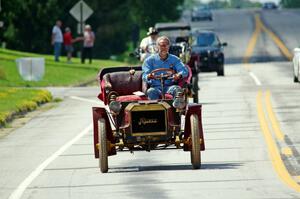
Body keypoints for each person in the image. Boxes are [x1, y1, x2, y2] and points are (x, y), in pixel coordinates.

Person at [142, 36, 189, 100]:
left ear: (169, 47)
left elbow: (184, 71)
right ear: (157, 47)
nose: (164, 47)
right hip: (155, 87)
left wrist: (179, 75)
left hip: (170, 86)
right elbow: (144, 75)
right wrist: (149, 76)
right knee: (151, 91)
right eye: (161, 45)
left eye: (166, 45)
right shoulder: (149, 60)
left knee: (177, 90)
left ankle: (177, 107)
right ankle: (154, 109)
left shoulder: (175, 59)